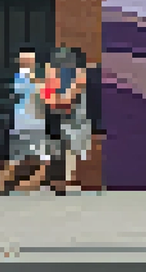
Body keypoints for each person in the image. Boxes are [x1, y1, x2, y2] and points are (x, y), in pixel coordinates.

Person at [0, 48, 51, 194]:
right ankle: (10, 187)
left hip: (34, 123)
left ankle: (16, 187)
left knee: (37, 160)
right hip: (26, 124)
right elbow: (41, 93)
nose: (29, 62)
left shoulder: (33, 77)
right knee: (20, 160)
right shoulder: (21, 77)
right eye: (27, 60)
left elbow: (45, 96)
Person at [43, 46, 90, 194]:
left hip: (74, 122)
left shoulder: (79, 76)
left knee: (70, 152)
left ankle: (67, 183)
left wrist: (57, 100)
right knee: (57, 150)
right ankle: (57, 183)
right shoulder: (55, 78)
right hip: (59, 121)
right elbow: (50, 99)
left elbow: (66, 100)